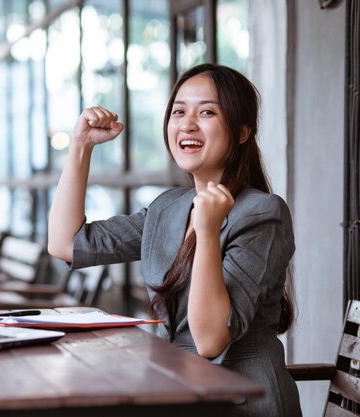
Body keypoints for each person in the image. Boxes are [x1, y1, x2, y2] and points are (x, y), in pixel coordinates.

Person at [48, 63, 302, 416]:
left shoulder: (262, 214)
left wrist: (209, 232)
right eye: (178, 112)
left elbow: (210, 340)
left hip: (241, 403)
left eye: (207, 112)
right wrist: (81, 146)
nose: (187, 124)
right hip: (178, 391)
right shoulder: (169, 207)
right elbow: (65, 244)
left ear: (243, 132)